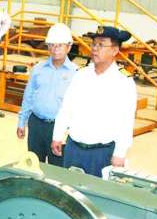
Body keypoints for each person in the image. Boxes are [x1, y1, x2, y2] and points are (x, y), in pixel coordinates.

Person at [51, 26, 137, 177]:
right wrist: (57, 135)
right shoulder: (81, 75)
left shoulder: (124, 81)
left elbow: (126, 120)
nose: (95, 49)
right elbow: (66, 108)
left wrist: (120, 152)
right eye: (94, 44)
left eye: (101, 45)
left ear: (115, 50)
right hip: (73, 148)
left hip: (102, 153)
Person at [16, 23, 77, 165]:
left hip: (59, 129)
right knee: (34, 165)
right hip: (36, 124)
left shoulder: (76, 73)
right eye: (52, 45)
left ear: (69, 47)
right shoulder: (38, 69)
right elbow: (28, 97)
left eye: (60, 45)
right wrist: (21, 122)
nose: (55, 49)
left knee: (57, 169)